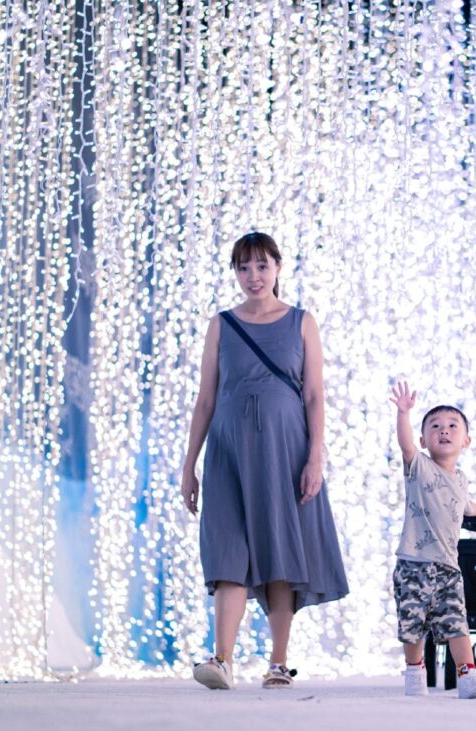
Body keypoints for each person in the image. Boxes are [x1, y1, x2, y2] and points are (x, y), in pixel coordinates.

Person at [181, 232, 349, 690]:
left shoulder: (300, 321)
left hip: (285, 447)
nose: (253, 276)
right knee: (228, 548)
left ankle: (278, 662)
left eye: (260, 266)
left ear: (277, 266)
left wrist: (315, 457)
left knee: (280, 547)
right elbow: (205, 399)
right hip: (229, 450)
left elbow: (314, 395)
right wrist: (188, 464)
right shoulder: (222, 324)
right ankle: (222, 659)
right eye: (243, 267)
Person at [389, 381, 476, 699]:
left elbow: (464, 506)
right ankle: (414, 669)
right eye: (435, 427)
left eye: (452, 426)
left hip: (448, 565)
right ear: (425, 439)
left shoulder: (460, 478)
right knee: (413, 621)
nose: (444, 431)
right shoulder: (419, 466)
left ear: (466, 440)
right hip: (414, 562)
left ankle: (467, 673)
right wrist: (404, 414)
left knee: (456, 620)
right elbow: (406, 446)